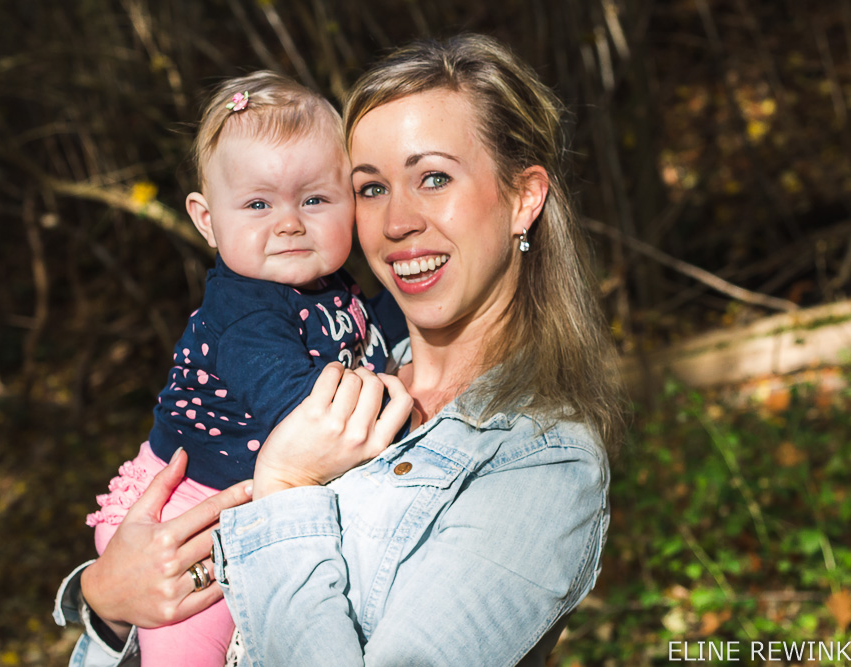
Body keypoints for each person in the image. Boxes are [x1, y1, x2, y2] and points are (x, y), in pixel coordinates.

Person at [54, 33, 624, 666]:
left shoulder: (538, 459)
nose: (396, 220)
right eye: (372, 187)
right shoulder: (342, 340)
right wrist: (104, 604)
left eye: (433, 177)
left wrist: (287, 485)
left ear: (524, 197)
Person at [81, 70, 406, 666]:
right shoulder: (242, 314)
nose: (288, 222)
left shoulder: (328, 285)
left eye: (314, 200)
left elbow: (379, 326)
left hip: (236, 507)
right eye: (258, 204)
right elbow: (307, 417)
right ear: (207, 220)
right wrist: (404, 403)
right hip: (178, 524)